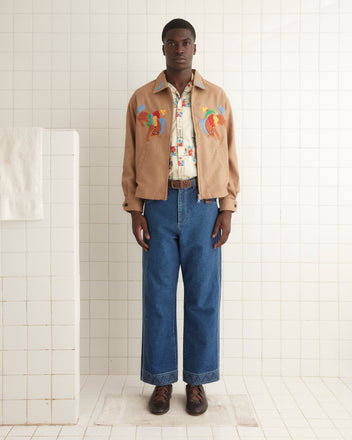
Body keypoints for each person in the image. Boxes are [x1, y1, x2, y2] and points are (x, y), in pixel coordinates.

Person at [122, 18, 240, 416]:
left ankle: (196, 383)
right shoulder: (141, 99)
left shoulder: (217, 98)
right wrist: (134, 209)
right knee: (157, 298)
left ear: (194, 47)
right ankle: (160, 381)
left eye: (185, 42)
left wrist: (227, 207)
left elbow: (229, 156)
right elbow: (130, 157)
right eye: (171, 43)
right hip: (156, 206)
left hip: (204, 206)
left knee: (203, 299)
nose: (179, 49)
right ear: (162, 48)